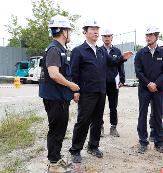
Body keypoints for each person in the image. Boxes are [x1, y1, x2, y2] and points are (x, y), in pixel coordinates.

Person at [69, 19, 133, 163]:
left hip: (101, 91)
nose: (96, 31)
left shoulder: (102, 51)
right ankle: (75, 150)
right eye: (92, 29)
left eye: (97, 29)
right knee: (83, 121)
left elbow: (113, 63)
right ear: (85, 32)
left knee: (98, 121)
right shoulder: (78, 51)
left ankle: (93, 146)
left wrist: (122, 58)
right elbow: (73, 73)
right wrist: (75, 90)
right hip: (86, 92)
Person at [39, 15, 80, 173]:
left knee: (60, 130)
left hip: (60, 97)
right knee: (56, 131)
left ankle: (55, 158)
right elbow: (54, 74)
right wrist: (71, 86)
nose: (70, 33)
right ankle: (54, 165)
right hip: (54, 98)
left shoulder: (61, 49)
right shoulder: (54, 49)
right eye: (69, 30)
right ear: (64, 32)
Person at [134, 26, 163, 154]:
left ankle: (159, 143)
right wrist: (148, 83)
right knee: (142, 114)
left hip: (158, 89)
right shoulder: (140, 53)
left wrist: (156, 84)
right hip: (144, 88)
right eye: (147, 35)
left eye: (151, 35)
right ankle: (143, 142)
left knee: (158, 115)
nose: (148, 37)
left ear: (156, 37)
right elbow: (138, 71)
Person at [100, 29, 125, 137]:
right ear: (102, 38)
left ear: (112, 37)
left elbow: (120, 66)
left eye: (108, 36)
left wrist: (122, 80)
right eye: (104, 36)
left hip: (113, 83)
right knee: (99, 106)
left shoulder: (117, 51)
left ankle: (113, 127)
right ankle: (99, 127)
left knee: (113, 106)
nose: (106, 38)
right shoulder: (98, 50)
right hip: (101, 82)